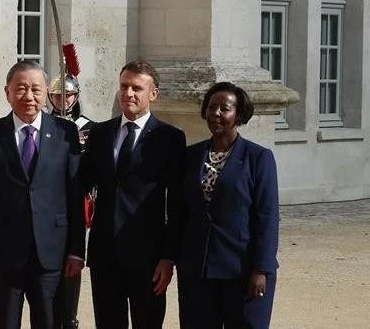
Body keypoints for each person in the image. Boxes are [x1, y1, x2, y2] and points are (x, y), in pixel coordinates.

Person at [0, 60, 85, 329]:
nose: (28, 96)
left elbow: (74, 195)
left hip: (51, 255)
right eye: (20, 89)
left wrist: (77, 251)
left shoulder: (65, 133)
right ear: (7, 92)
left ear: (45, 93)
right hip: (2, 256)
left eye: (35, 89)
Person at [81, 59, 185, 328]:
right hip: (104, 255)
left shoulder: (170, 138)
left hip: (148, 258)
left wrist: (168, 257)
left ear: (153, 94)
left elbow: (176, 204)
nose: (128, 93)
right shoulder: (100, 133)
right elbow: (81, 183)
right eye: (124, 86)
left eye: (137, 88)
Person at [177, 82, 279, 329]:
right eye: (212, 107)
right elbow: (181, 213)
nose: (217, 114)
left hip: (242, 271)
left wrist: (261, 269)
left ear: (239, 114)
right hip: (198, 271)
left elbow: (267, 217)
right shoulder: (190, 156)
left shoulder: (258, 158)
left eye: (225, 108)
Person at [47, 75, 94, 329]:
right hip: (51, 202)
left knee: (73, 261)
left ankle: (70, 317)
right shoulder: (45, 124)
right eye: (57, 95)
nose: (63, 100)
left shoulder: (90, 127)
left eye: (68, 95)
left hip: (79, 200)